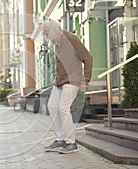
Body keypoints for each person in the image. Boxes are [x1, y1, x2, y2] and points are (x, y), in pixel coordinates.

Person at [43, 20, 93, 154]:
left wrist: (86, 80)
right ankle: (60, 139)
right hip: (60, 81)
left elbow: (88, 58)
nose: (46, 37)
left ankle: (71, 143)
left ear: (53, 31)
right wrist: (56, 79)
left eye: (47, 33)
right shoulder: (57, 42)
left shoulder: (71, 39)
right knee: (52, 106)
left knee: (63, 108)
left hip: (73, 80)